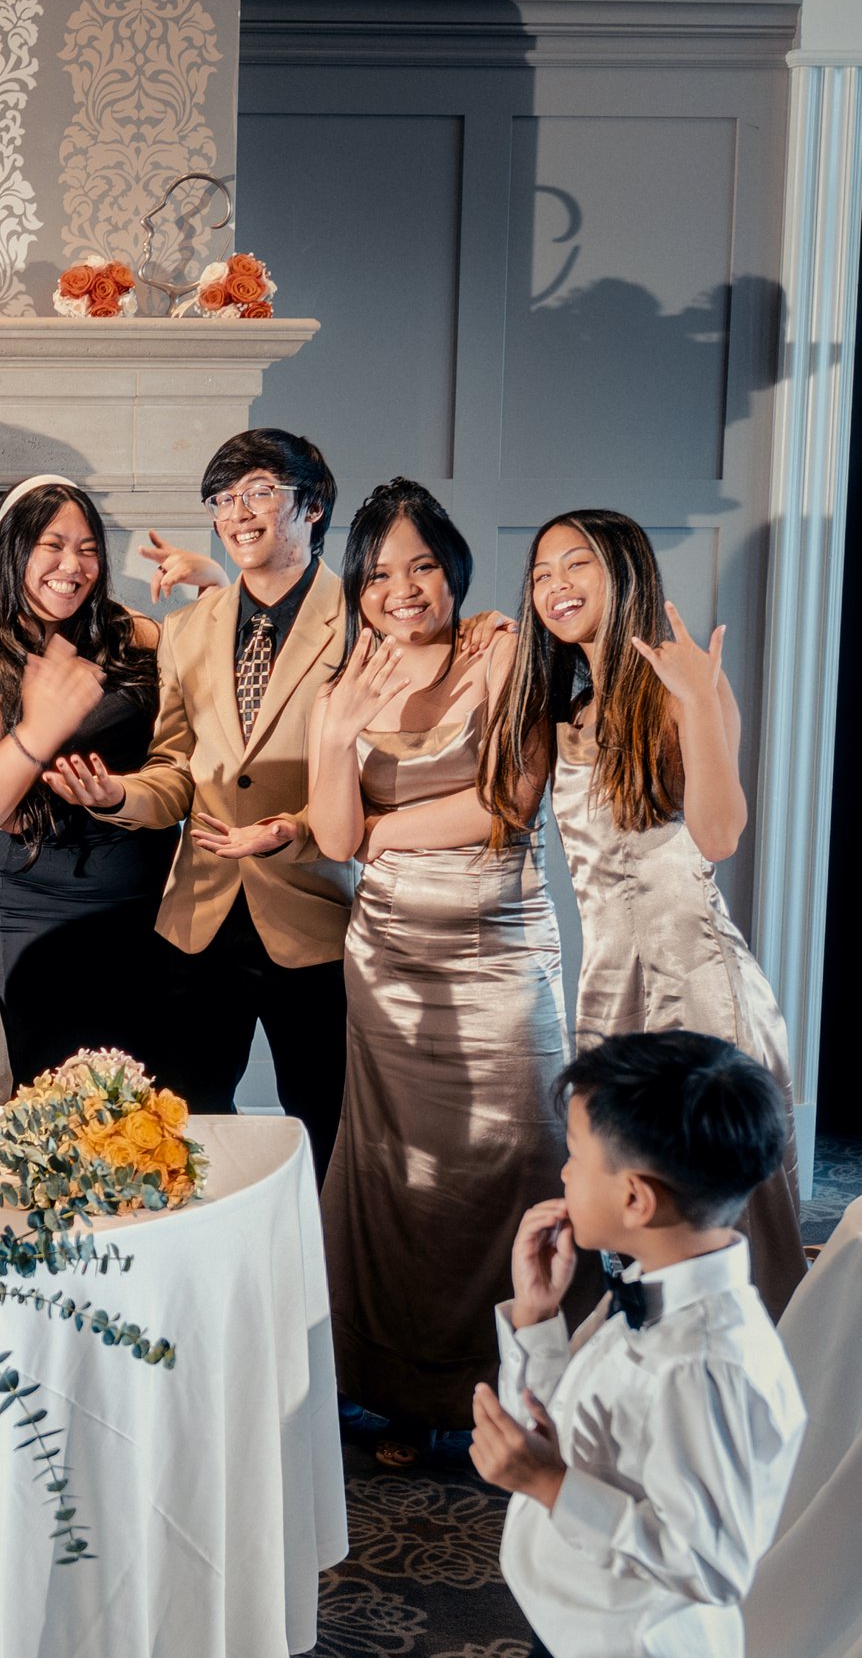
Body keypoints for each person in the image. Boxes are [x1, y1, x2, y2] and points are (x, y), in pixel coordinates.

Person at [480, 508, 808, 1316]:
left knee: (719, 1210)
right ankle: (644, 1370)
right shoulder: (569, 711)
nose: (554, 585)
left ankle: (744, 1371)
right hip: (608, 988)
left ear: (622, 569)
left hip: (695, 985)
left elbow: (720, 835)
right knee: (627, 1200)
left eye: (575, 564)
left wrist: (697, 699)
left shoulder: (683, 687)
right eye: (540, 573)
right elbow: (504, 809)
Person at [305, 478, 574, 1455]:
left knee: (516, 1158)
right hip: (387, 954)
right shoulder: (346, 682)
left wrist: (378, 829)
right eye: (380, 574)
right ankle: (407, 1395)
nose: (403, 589)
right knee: (396, 1176)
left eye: (421, 565)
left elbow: (508, 800)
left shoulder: (500, 649)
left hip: (497, 939)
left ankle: (523, 1386)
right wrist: (337, 734)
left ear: (452, 568)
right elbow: (331, 833)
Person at [470, 1032, 805, 1658]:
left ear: (634, 1198)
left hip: (635, 1641)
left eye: (574, 1155)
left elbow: (713, 1564)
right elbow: (573, 1424)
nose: (563, 1172)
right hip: (575, 1616)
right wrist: (537, 1319)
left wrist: (550, 1484)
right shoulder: (649, 1286)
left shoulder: (704, 1364)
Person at [89, 429, 356, 1170]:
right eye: (222, 499)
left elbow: (377, 775)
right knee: (184, 1131)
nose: (237, 513)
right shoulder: (185, 630)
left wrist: (292, 829)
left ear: (313, 506)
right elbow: (176, 767)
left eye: (259, 492)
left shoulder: (361, 620)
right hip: (198, 916)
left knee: (324, 1128)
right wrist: (117, 795)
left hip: (314, 912)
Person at [0, 477, 176, 1082]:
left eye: (88, 549)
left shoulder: (130, 632)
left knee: (158, 1087)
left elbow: (202, 716)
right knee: (63, 1092)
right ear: (8, 548)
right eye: (52, 545)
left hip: (150, 898)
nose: (73, 566)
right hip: (37, 904)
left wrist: (219, 588)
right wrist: (38, 732)